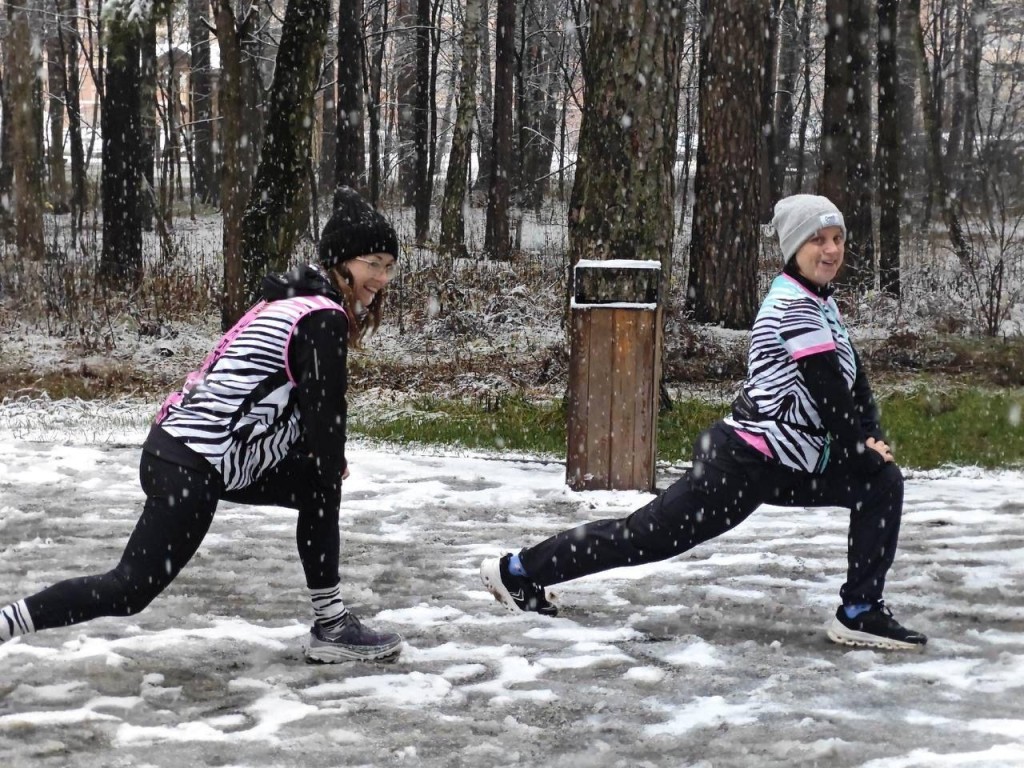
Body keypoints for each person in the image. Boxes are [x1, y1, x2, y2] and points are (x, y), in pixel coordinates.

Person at [480, 193, 927, 651]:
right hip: (741, 464)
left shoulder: (819, 303)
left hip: (787, 462)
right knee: (646, 537)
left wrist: (871, 439)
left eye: (837, 238)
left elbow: (856, 385)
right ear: (793, 248)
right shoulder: (793, 306)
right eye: (817, 240)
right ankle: (518, 571)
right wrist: (860, 452)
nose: (831, 250)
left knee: (881, 483)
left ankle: (859, 611)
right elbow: (828, 391)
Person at [0, 187, 404, 664]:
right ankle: (7, 624)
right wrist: (330, 459)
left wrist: (325, 465)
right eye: (372, 262)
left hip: (188, 452)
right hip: (192, 464)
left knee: (318, 486)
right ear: (341, 261)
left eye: (388, 265)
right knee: (128, 590)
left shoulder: (292, 299)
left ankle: (332, 624)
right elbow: (324, 410)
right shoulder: (320, 316)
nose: (380, 277)